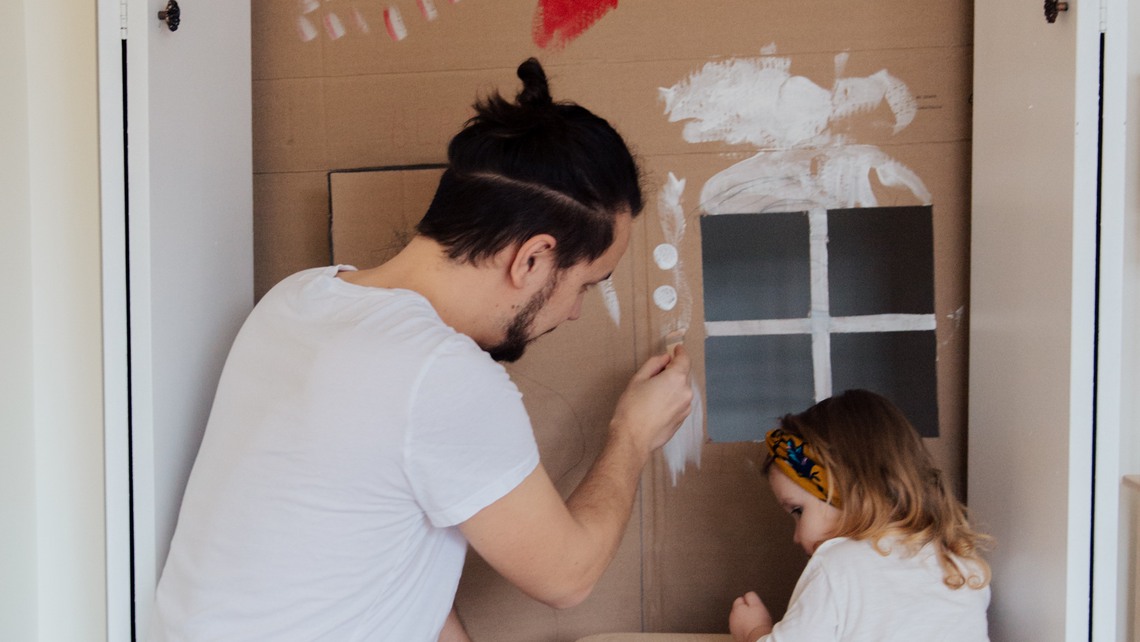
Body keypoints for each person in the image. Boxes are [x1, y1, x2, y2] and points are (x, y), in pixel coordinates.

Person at [149, 58, 693, 642]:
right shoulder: (438, 376)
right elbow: (568, 576)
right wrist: (633, 435)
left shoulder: (300, 300)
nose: (576, 311)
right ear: (532, 258)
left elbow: (391, 564)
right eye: (586, 283)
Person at [729, 389, 992, 642]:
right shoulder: (962, 564)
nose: (797, 537)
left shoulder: (835, 566)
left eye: (798, 511)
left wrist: (754, 631)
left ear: (851, 492)